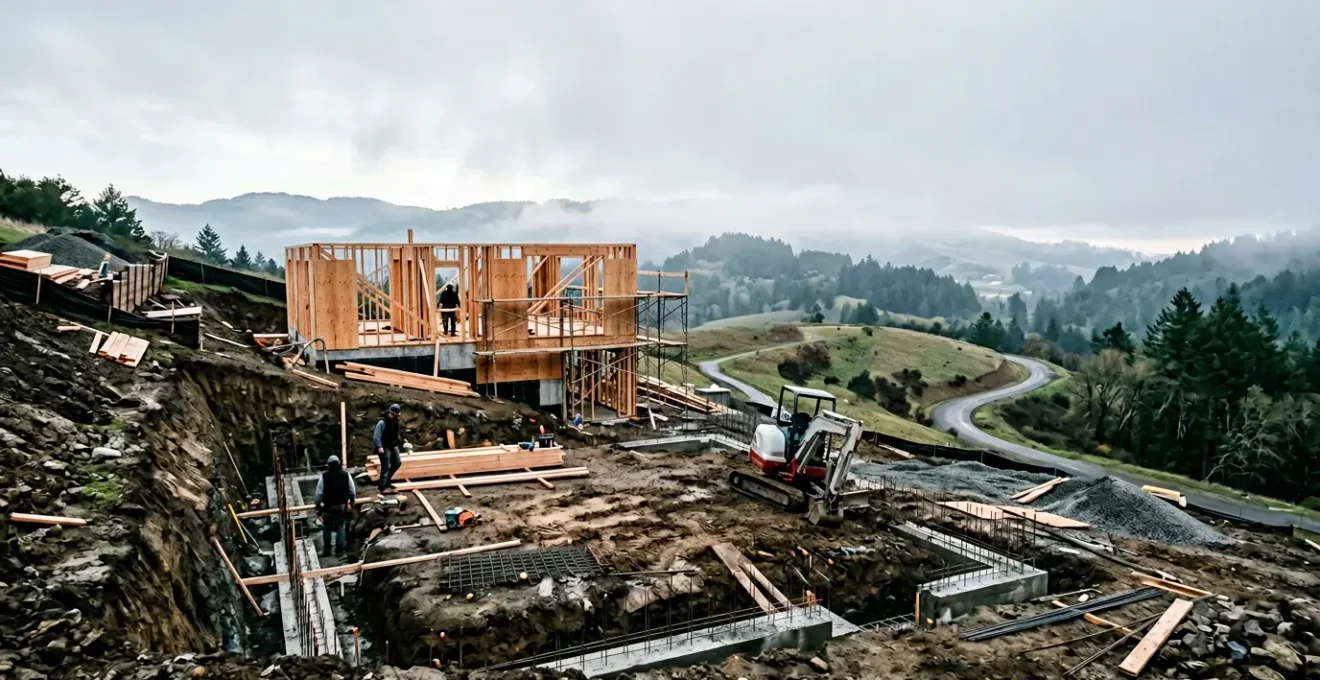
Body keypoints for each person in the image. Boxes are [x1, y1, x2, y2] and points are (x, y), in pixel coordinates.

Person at [314, 454, 355, 558]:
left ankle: (327, 550)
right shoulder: (346, 475)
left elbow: (319, 493)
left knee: (327, 527)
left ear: (328, 465)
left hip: (329, 506)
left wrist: (317, 505)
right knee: (340, 526)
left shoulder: (324, 476)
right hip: (342, 505)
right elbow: (352, 491)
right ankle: (339, 551)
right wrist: (352, 502)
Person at [373, 403, 403, 492]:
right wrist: (379, 446)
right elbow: (376, 436)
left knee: (397, 463)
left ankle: (387, 481)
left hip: (392, 445)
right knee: (386, 466)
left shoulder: (395, 422)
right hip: (384, 446)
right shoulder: (382, 422)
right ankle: (382, 486)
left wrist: (399, 441)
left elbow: (396, 434)